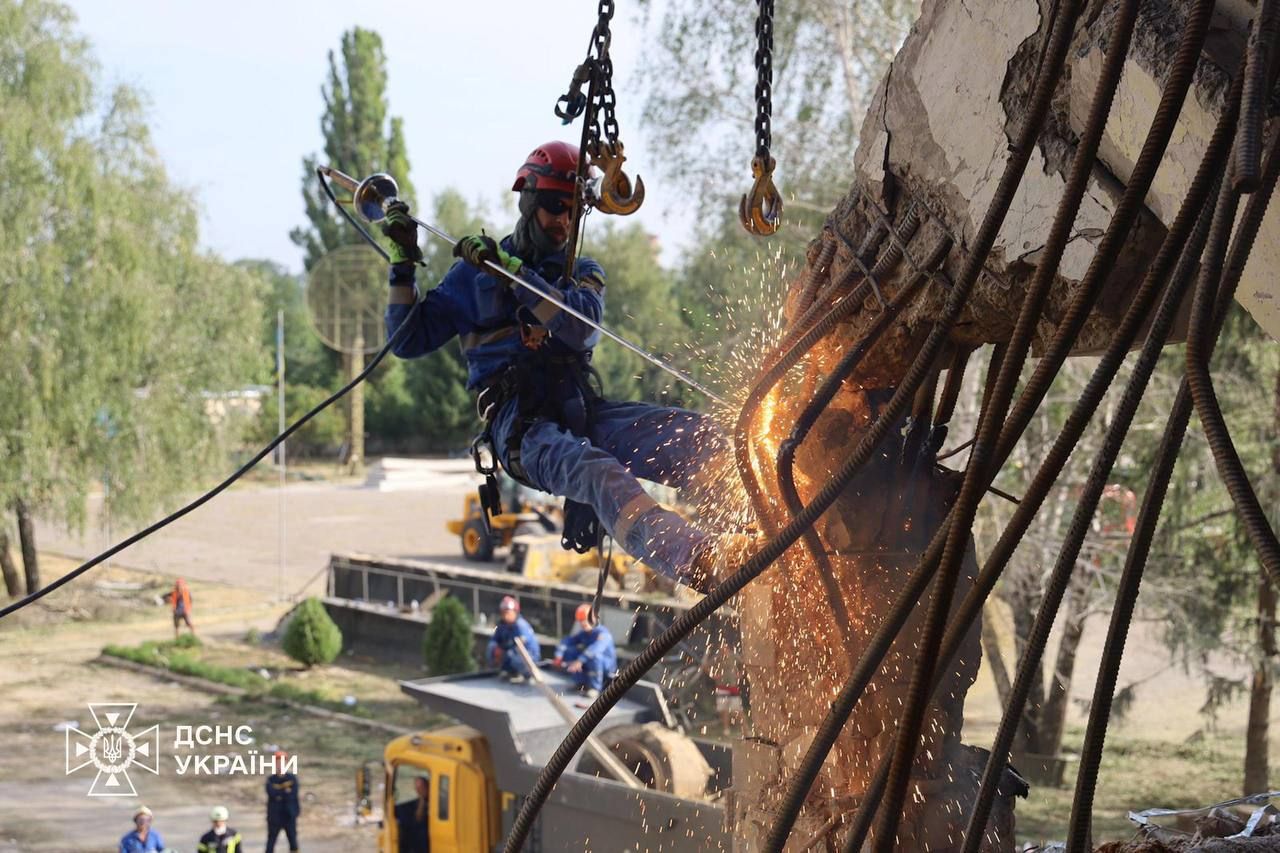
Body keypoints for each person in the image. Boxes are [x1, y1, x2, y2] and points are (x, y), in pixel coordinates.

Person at [382, 141, 751, 591]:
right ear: (529, 202)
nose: (563, 222)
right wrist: (402, 265)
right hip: (521, 427)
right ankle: (698, 560)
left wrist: (515, 274)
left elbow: (581, 329)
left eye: (574, 211)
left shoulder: (582, 273)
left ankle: (767, 523)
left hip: (579, 409)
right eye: (555, 207)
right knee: (597, 471)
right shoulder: (471, 278)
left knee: (699, 436)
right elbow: (407, 340)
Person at [553, 603, 617, 698]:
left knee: (594, 656)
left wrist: (580, 660)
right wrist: (559, 655)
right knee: (571, 651)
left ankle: (595, 688)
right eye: (581, 621)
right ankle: (581, 683)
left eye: (585, 620)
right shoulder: (584, 634)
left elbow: (596, 649)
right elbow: (567, 641)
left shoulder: (603, 633)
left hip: (606, 665)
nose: (583, 623)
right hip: (590, 662)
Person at [486, 595, 540, 683]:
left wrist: (506, 652)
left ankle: (525, 675)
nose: (505, 616)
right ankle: (508, 671)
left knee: (512, 655)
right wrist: (496, 649)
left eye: (508, 613)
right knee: (491, 647)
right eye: (503, 613)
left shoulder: (521, 626)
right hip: (510, 651)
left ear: (515, 612)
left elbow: (521, 646)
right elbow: (494, 639)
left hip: (529, 655)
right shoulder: (502, 625)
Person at [265, 751, 300, 853]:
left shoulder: (292, 778)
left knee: (293, 841)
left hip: (289, 815)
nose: (280, 764)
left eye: (282, 761)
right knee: (271, 841)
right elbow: (272, 793)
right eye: (277, 762)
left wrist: (279, 793)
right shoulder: (271, 779)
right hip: (274, 816)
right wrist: (285, 791)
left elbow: (293, 794)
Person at [393, 774, 431, 853]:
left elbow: (419, 818)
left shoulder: (434, 802)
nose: (419, 790)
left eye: (421, 788)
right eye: (417, 788)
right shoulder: (417, 802)